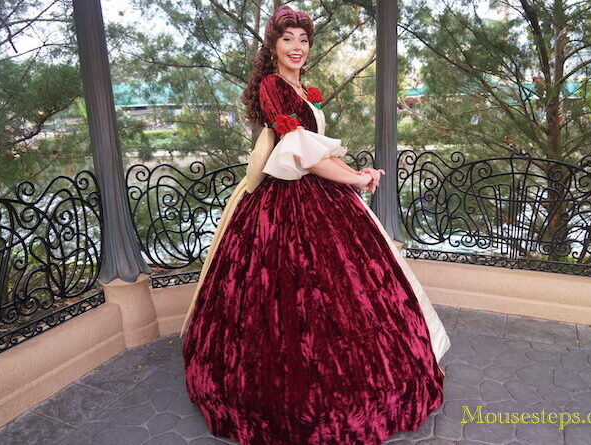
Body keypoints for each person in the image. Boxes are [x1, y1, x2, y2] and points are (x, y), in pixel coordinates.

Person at [181, 5, 451, 444]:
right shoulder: (273, 86)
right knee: (288, 297)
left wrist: (355, 174)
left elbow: (319, 152)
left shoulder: (300, 90)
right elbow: (300, 153)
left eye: (303, 40)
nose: (297, 47)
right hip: (283, 203)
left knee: (350, 292)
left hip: (318, 195)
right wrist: (357, 177)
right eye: (288, 39)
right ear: (273, 45)